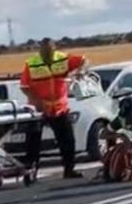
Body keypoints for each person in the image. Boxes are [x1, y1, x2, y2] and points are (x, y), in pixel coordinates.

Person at [20, 38, 87, 179]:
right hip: (40, 108)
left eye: (49, 52)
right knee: (33, 140)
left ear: (54, 49)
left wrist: (79, 72)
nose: (47, 55)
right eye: (44, 52)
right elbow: (25, 87)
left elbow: (83, 60)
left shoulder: (62, 59)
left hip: (59, 107)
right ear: (40, 51)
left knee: (68, 140)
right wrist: (37, 101)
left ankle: (69, 169)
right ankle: (32, 170)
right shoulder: (31, 64)